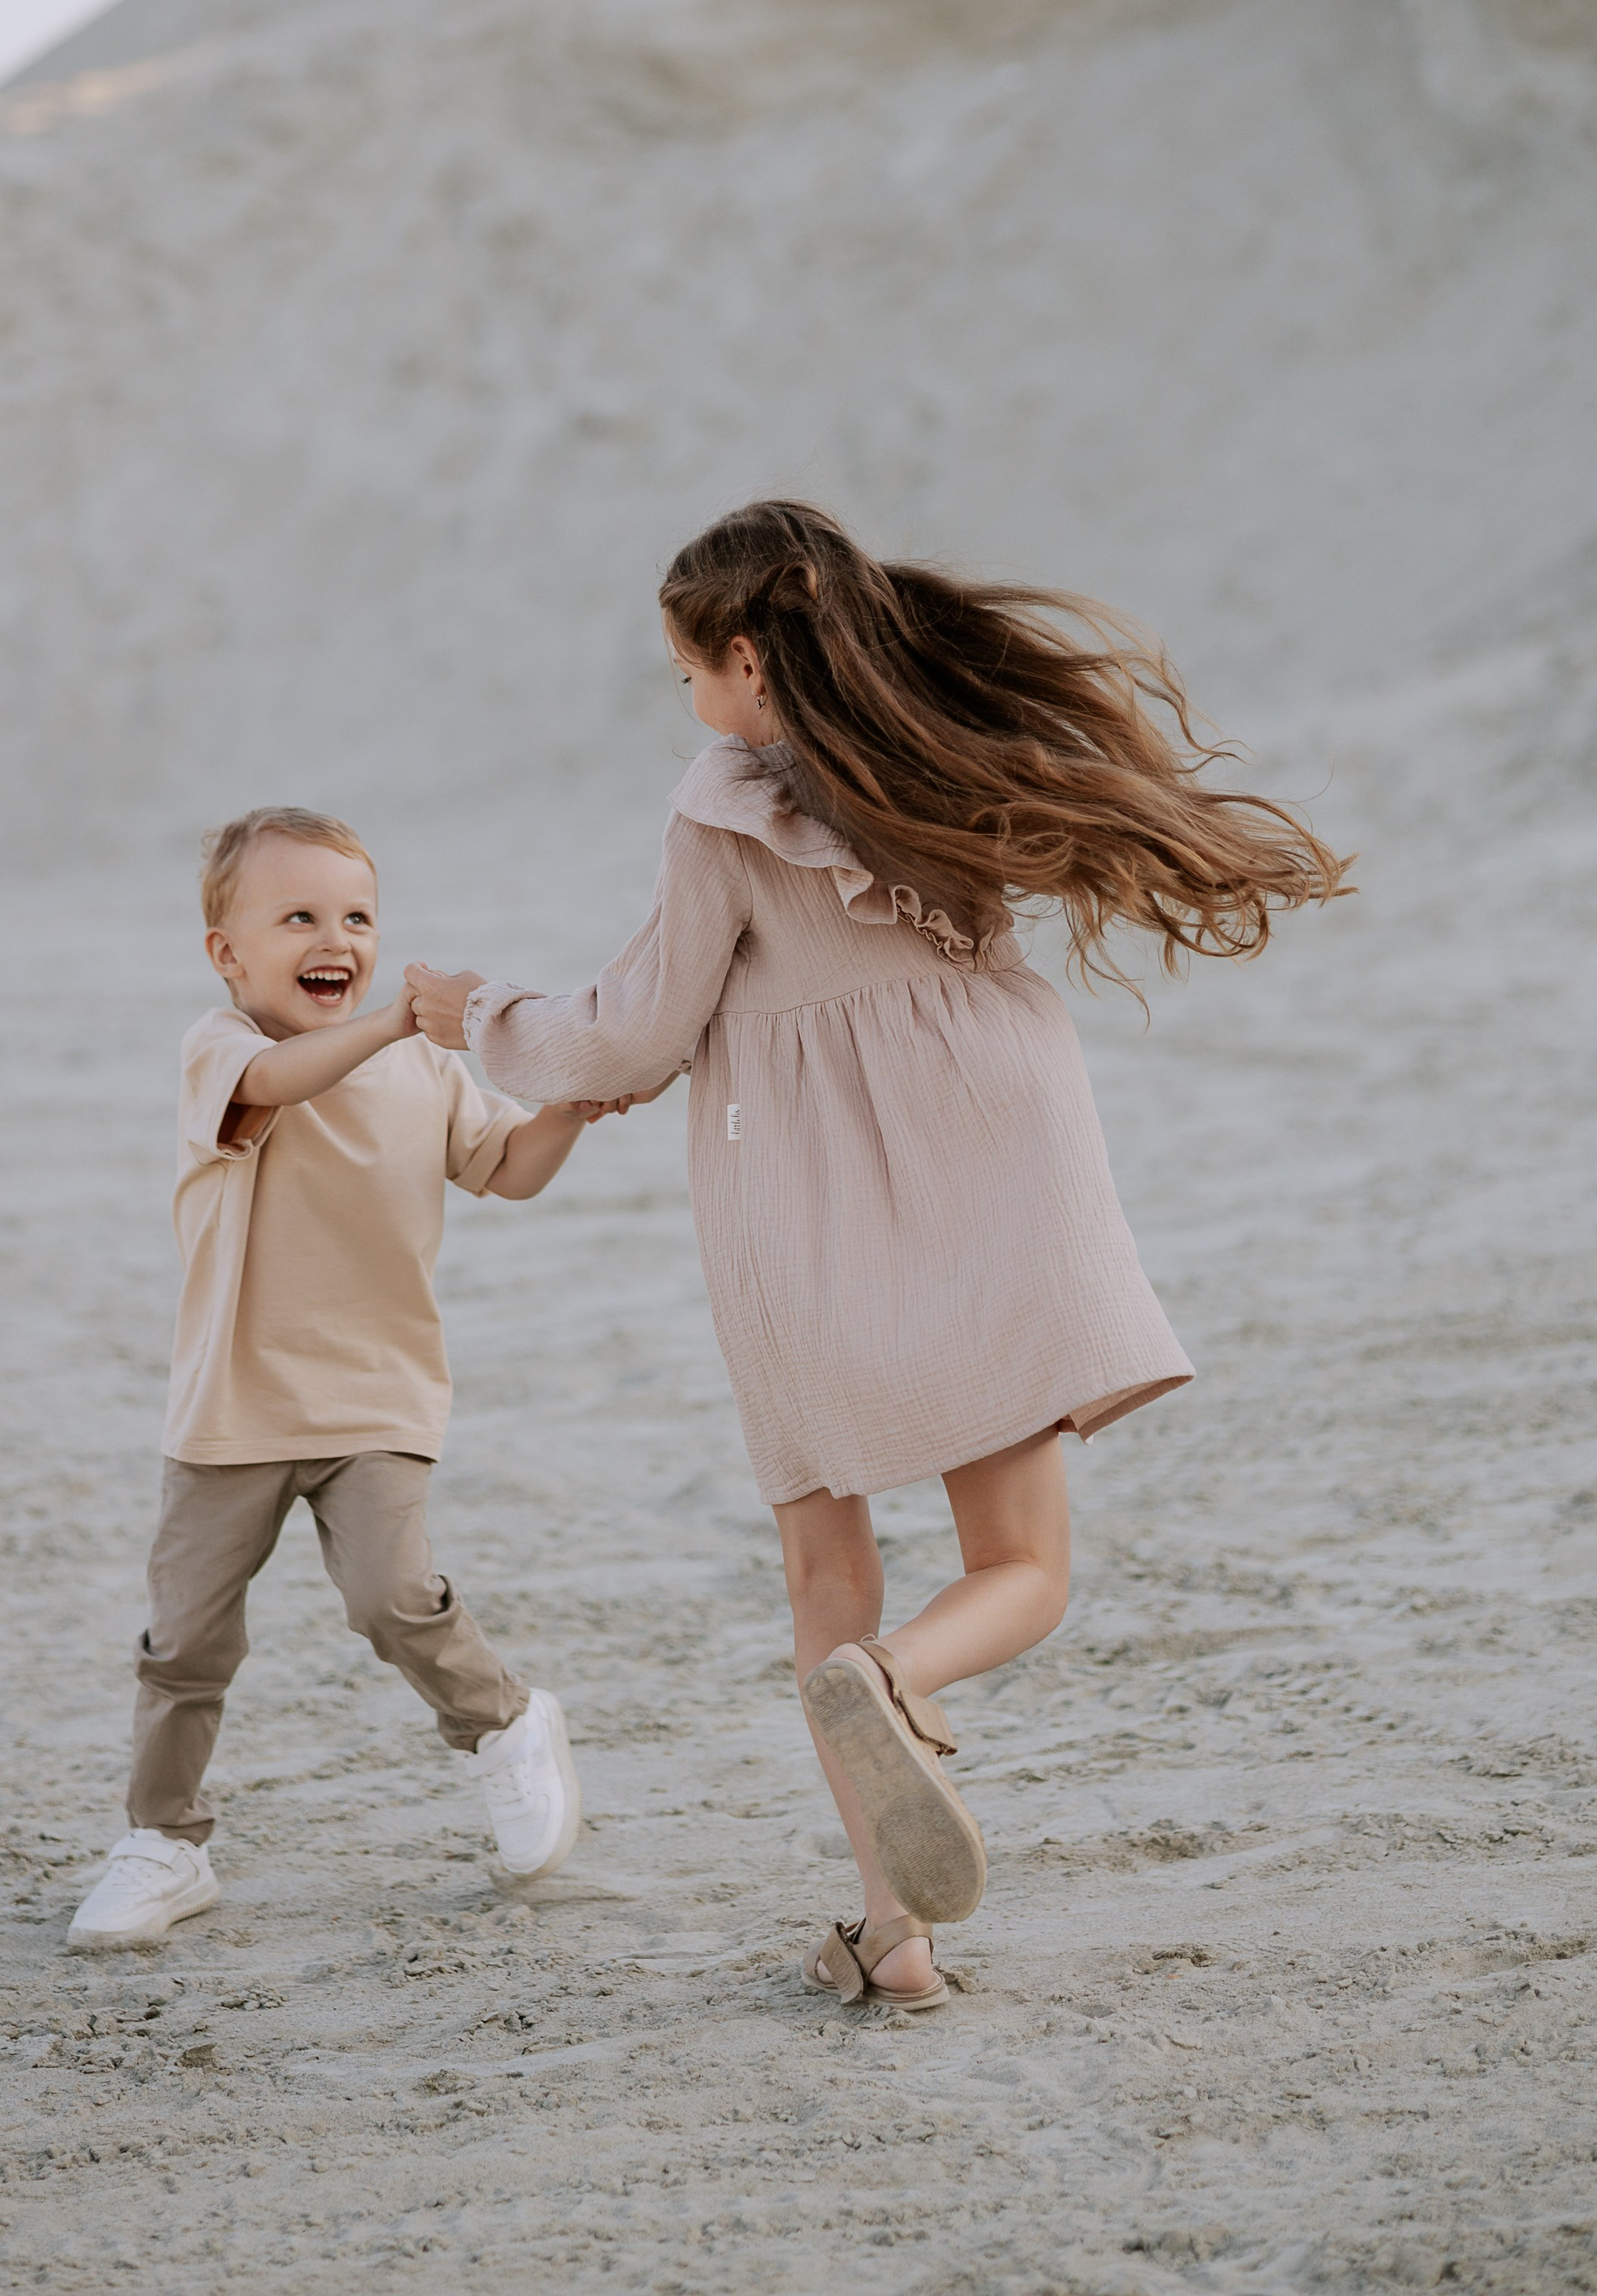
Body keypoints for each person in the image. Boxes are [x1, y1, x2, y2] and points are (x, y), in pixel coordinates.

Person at [406, 501, 1347, 2011]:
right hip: (999, 1149)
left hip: (804, 1193)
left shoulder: (719, 801)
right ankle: (904, 1687)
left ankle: (894, 1926)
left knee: (826, 1563)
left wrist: (484, 1015)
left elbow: (643, 1022)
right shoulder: (935, 754)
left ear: (743, 662)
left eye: (688, 674)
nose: (691, 708)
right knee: (1024, 1566)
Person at [67, 805, 607, 1953]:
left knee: (389, 1596)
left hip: (377, 1398)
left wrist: (570, 1107)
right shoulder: (219, 1049)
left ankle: (505, 1724)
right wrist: (400, 1020)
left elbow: (506, 1169)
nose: (337, 938)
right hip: (231, 1407)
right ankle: (165, 1841)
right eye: (300, 916)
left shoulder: (421, 1067)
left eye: (357, 916)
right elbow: (284, 1079)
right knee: (187, 1643)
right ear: (229, 953)